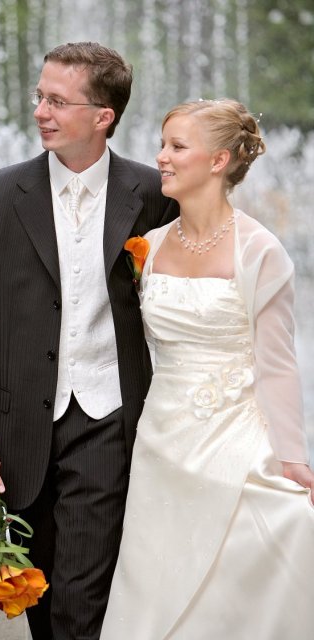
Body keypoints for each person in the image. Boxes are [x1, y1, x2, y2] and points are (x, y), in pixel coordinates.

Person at [0, 42, 178, 640]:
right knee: (43, 601)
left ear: (103, 116)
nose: (40, 112)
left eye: (57, 100)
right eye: (39, 96)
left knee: (80, 599)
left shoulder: (153, 193)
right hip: (20, 425)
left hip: (109, 420)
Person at [100, 99, 314, 640]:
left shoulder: (260, 250)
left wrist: (293, 458)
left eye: (177, 146)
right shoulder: (148, 247)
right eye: (162, 144)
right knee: (155, 586)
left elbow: (278, 364)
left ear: (219, 161)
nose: (161, 157)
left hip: (236, 436)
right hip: (161, 443)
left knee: (284, 531)